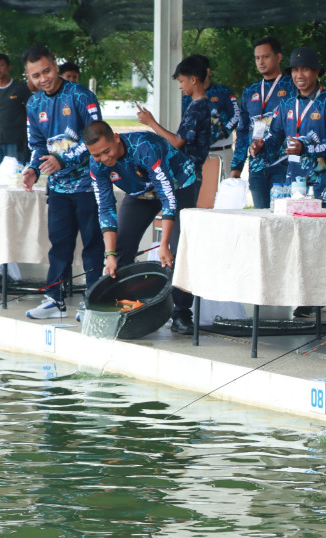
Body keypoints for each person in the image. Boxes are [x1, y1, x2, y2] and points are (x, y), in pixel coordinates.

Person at [84, 120, 198, 334]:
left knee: (178, 249)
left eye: (107, 151)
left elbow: (167, 197)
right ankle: (128, 307)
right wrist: (109, 254)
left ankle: (182, 312)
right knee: (120, 249)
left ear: (116, 138)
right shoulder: (97, 165)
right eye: (97, 155)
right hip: (140, 193)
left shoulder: (144, 147)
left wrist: (163, 244)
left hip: (178, 184)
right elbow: (106, 208)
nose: (104, 158)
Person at [21, 44, 104, 319]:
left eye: (46, 71)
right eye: (35, 75)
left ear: (55, 66)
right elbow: (37, 145)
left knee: (92, 243)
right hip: (57, 187)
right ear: (28, 77)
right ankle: (54, 300)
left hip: (88, 184)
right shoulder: (34, 104)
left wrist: (65, 161)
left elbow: (96, 138)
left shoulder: (81, 95)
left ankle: (93, 301)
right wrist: (33, 168)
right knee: (59, 244)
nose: (43, 78)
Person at [136, 55, 211, 334]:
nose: (179, 86)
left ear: (193, 79)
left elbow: (178, 143)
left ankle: (181, 312)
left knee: (178, 242)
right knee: (177, 239)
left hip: (187, 178)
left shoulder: (198, 107)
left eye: (181, 81)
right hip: (181, 176)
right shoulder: (195, 105)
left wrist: (151, 123)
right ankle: (174, 308)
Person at [252, 46, 326, 208]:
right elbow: (275, 136)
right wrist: (262, 146)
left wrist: (305, 148)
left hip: (324, 186)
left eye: (305, 69)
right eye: (295, 70)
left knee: (324, 232)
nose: (299, 75)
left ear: (316, 72)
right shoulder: (286, 103)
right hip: (294, 184)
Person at [230, 36, 295, 209]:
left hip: (284, 163)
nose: (261, 62)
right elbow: (243, 131)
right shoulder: (250, 91)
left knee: (283, 217)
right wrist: (236, 165)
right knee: (261, 217)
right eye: (257, 58)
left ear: (278, 57)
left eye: (265, 56)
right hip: (256, 166)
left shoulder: (292, 86)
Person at [183, 55, 240, 179]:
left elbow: (236, 115)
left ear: (207, 71)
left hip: (222, 151)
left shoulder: (223, 91)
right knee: (198, 195)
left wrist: (221, 132)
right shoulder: (187, 97)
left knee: (225, 194)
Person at [0, 52, 32, 185]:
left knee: (13, 178)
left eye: (1, 65)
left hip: (15, 140)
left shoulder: (20, 88)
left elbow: (29, 113)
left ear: (8, 67)